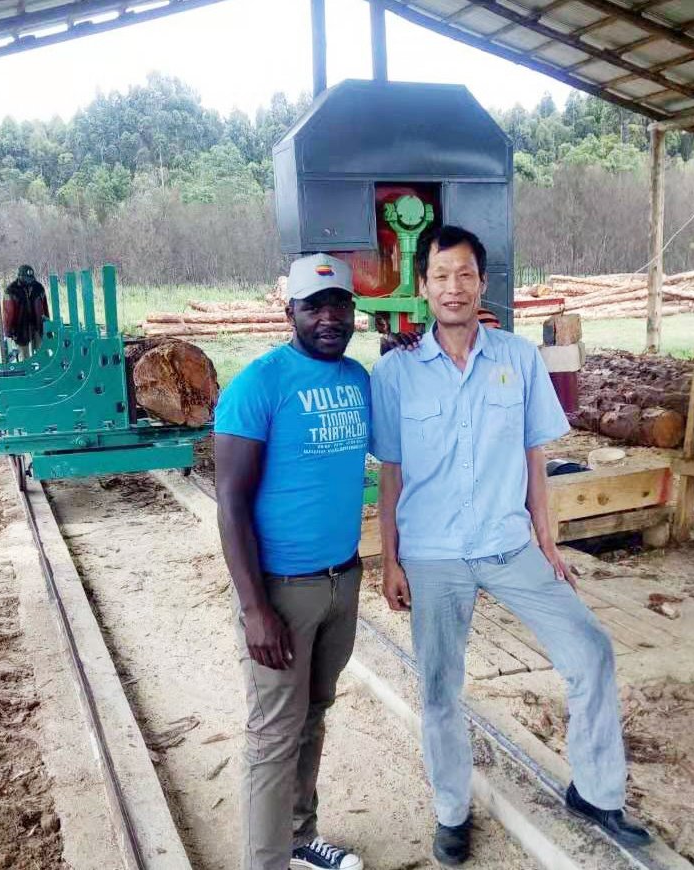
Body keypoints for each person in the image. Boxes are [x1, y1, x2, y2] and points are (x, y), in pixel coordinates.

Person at [370, 225, 651, 866]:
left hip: (507, 542)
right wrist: (391, 559)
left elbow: (535, 460)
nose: (453, 287)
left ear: (481, 282)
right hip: (434, 552)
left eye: (465, 274)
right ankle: (451, 812)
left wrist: (548, 543)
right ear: (422, 286)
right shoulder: (395, 374)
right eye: (440, 276)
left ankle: (597, 792)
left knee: (590, 649)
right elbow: (391, 474)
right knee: (440, 686)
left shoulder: (519, 359)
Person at [215, 253, 367, 870]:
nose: (329, 317)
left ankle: (301, 840)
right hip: (280, 591)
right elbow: (229, 502)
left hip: (341, 582)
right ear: (291, 313)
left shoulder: (357, 379)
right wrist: (254, 608)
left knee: (313, 717)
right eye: (314, 306)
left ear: (354, 312)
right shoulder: (259, 384)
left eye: (340, 305)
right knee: (274, 736)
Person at [2, 264, 48, 359]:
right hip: (20, 327)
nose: (29, 281)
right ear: (20, 277)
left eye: (30, 278)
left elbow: (45, 308)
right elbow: (8, 313)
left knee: (43, 354)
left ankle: (43, 372)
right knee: (24, 356)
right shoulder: (11, 290)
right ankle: (27, 373)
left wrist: (48, 324)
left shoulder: (38, 288)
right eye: (27, 278)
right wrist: (8, 331)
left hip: (38, 325)